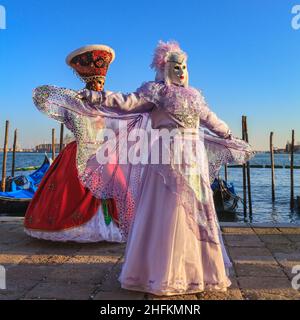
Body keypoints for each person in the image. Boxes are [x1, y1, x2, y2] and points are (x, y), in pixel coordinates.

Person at [32, 41, 255, 295]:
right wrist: (97, 97)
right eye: (175, 66)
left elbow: (212, 120)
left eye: (183, 66)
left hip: (194, 161)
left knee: (197, 211)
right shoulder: (155, 92)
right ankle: (160, 274)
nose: (180, 71)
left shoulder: (195, 97)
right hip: (166, 161)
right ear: (163, 68)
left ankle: (200, 272)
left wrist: (228, 134)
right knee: (167, 211)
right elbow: (126, 101)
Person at [24, 45, 123, 243]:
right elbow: (42, 96)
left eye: (100, 82)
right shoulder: (74, 102)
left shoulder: (111, 102)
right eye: (95, 81)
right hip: (79, 154)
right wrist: (69, 97)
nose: (98, 85)